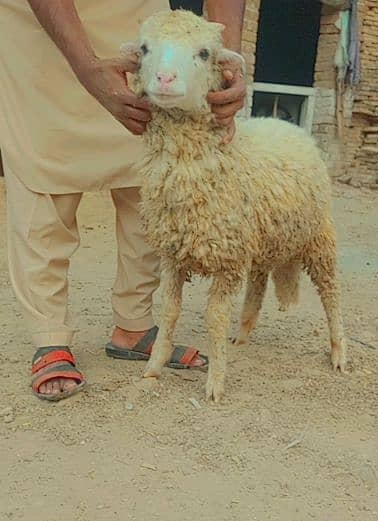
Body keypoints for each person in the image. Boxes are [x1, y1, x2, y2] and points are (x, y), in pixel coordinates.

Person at [0, 0, 246, 400]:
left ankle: (134, 324)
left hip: (136, 23)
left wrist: (224, 69)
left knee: (150, 174)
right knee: (44, 168)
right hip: (42, 28)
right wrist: (86, 68)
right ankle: (49, 333)